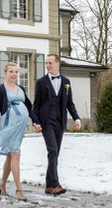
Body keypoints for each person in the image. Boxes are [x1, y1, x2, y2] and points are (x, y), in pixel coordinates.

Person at [0, 61, 40, 201]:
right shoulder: (1, 89)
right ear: (5, 73)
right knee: (15, 154)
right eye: (11, 72)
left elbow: (28, 107)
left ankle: (2, 184)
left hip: (19, 127)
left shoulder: (21, 88)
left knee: (10, 156)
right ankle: (19, 190)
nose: (14, 74)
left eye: (16, 72)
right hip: (8, 124)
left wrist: (35, 121)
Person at [32, 54, 81, 195]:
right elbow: (37, 105)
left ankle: (48, 185)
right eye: (46, 63)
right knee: (52, 151)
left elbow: (69, 103)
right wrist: (36, 122)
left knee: (55, 154)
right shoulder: (41, 82)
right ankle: (56, 184)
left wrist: (76, 118)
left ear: (58, 63)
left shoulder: (66, 82)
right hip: (46, 122)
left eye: (50, 63)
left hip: (60, 122)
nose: (47, 65)